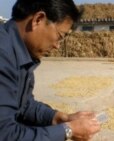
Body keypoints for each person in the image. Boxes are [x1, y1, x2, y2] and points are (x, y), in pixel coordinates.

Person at [0, 0, 101, 141]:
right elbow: (6, 134)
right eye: (59, 36)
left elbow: (24, 105)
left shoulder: (19, 53)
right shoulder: (3, 56)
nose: (57, 46)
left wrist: (62, 118)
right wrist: (68, 130)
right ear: (38, 19)